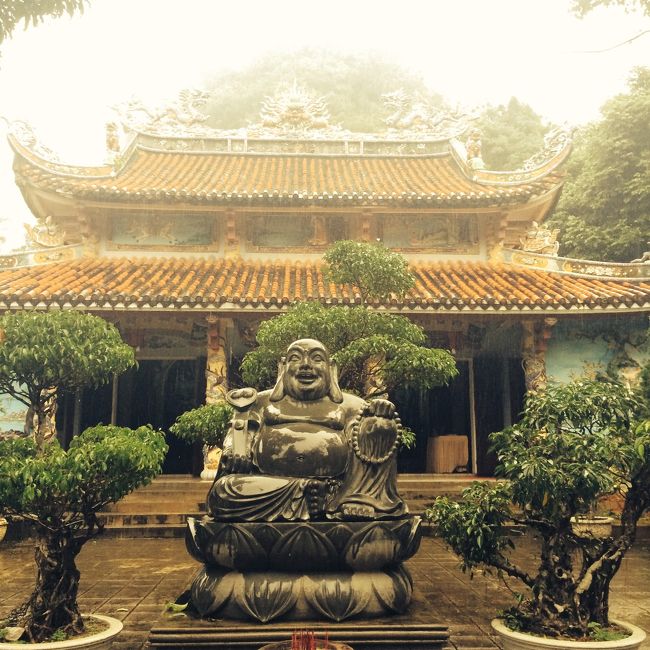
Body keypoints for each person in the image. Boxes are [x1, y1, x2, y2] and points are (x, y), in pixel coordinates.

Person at [208, 338, 407, 522]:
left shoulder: (352, 405)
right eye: (295, 358)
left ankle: (357, 499)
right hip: (271, 487)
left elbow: (369, 444)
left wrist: (379, 418)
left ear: (331, 368)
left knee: (380, 424)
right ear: (282, 367)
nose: (305, 365)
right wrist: (235, 449)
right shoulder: (260, 402)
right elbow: (240, 428)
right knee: (225, 491)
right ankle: (310, 493)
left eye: (317, 358)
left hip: (341, 491)